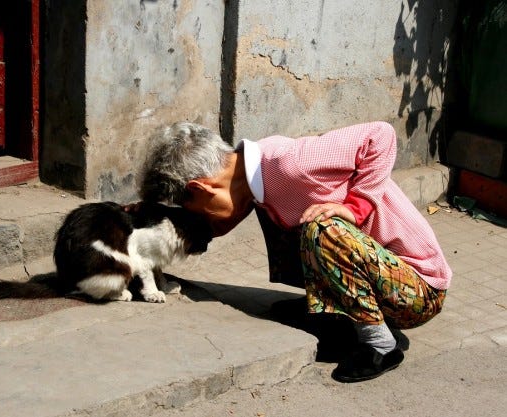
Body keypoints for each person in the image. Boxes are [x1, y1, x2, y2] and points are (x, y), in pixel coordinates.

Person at [137, 121, 452, 382]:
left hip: (417, 292)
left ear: (200, 188)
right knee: (286, 217)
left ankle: (380, 344)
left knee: (323, 227)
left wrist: (356, 207)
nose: (199, 219)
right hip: (381, 277)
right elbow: (220, 223)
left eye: (194, 210)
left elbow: (381, 135)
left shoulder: (290, 163)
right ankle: (333, 314)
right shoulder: (255, 176)